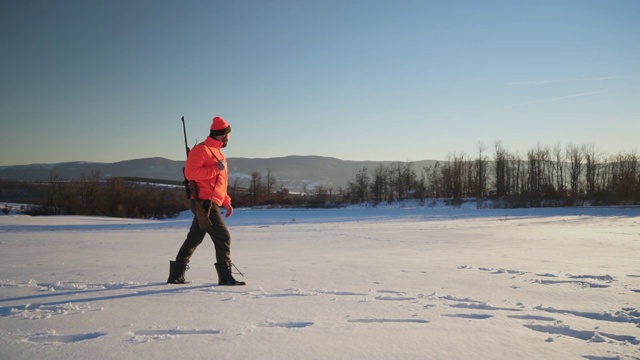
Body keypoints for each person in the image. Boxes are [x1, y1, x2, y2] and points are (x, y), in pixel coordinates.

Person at [167, 116, 246, 286]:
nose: (229, 138)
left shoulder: (218, 153)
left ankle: (176, 275)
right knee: (223, 236)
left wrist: (226, 201)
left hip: (212, 202)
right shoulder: (200, 150)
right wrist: (215, 168)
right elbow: (191, 174)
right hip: (204, 203)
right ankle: (225, 277)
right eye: (228, 135)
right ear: (222, 135)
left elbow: (220, 183)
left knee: (194, 238)